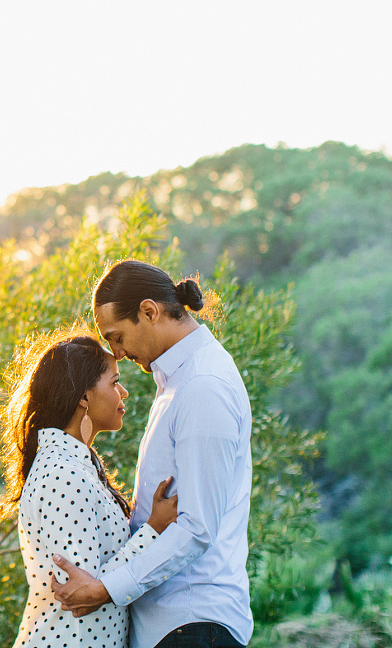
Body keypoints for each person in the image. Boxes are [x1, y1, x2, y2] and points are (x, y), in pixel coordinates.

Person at [49, 260, 254, 648]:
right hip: (173, 630)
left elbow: (196, 529)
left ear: (149, 311)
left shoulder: (203, 386)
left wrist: (104, 589)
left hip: (193, 626)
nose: (117, 353)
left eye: (117, 336)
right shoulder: (177, 383)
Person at [0, 328, 179, 648]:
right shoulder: (62, 473)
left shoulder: (77, 466)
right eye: (114, 382)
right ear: (84, 396)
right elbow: (82, 592)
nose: (123, 392)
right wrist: (153, 530)